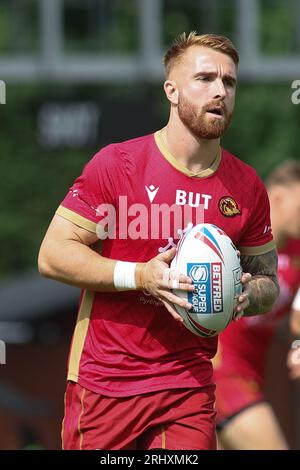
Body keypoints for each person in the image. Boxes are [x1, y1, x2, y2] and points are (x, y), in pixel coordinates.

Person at [38, 32, 279, 450]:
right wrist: (141, 276)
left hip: (188, 388)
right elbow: (53, 255)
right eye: (204, 78)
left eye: (230, 82)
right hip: (106, 385)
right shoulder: (117, 165)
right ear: (171, 90)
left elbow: (268, 280)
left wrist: (247, 293)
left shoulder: (246, 187)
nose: (220, 91)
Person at [214, 160, 300, 450]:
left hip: (252, 379)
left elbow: (285, 325)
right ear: (277, 196)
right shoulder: (237, 239)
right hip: (221, 375)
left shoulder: (296, 253)